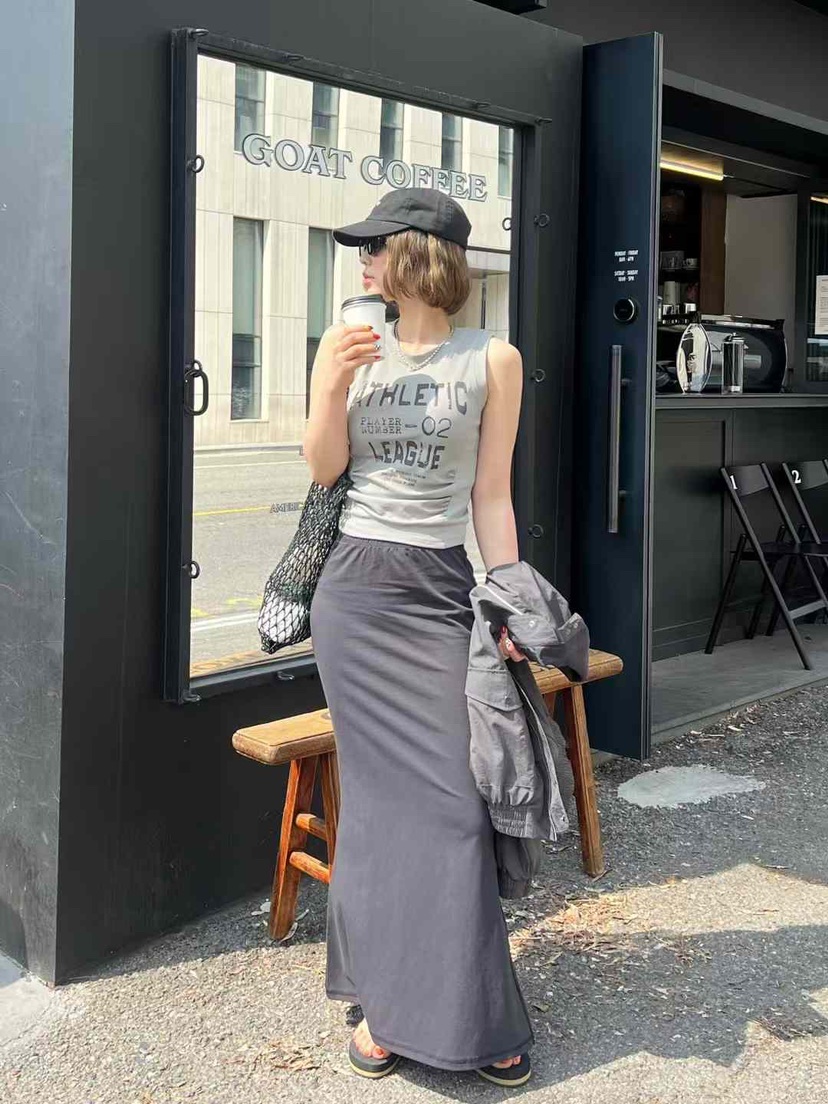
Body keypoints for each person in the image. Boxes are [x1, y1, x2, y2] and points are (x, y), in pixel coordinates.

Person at [305, 187, 534, 1086]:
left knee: (452, 804)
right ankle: (384, 1004)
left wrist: (508, 601)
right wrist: (330, 383)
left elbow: (492, 496)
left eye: (375, 246)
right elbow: (324, 468)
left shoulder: (493, 359)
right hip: (356, 594)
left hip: (437, 588)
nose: (363, 261)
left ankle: (463, 1008)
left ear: (418, 255)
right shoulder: (348, 345)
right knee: (376, 808)